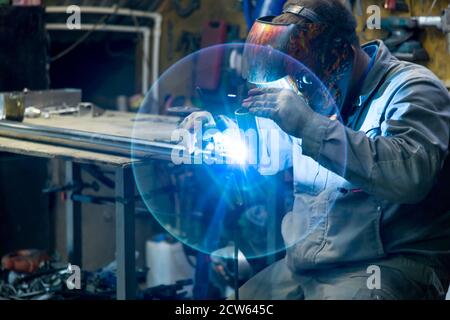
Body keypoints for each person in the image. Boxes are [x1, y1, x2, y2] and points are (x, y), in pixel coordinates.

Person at [181, 0, 450, 299]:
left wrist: (310, 126)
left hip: (385, 267)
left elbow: (410, 177)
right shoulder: (305, 90)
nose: (300, 91)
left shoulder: (412, 89)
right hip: (306, 267)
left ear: (342, 55)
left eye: (306, 80)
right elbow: (267, 147)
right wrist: (220, 131)